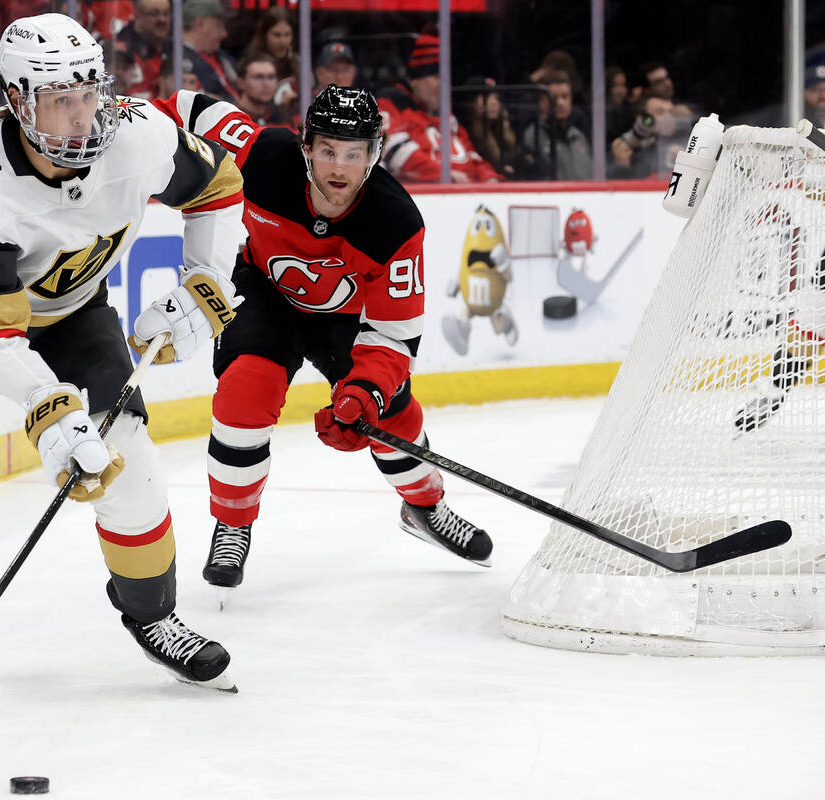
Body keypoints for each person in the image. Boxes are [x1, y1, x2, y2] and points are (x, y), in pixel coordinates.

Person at [0, 13, 245, 690]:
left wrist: (207, 279)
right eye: (59, 101)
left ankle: (153, 617)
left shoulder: (139, 133)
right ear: (17, 101)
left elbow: (218, 186)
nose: (82, 117)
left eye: (88, 94)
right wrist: (49, 408)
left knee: (129, 464)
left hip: (71, 314)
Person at [153, 85, 495, 594]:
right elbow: (187, 108)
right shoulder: (264, 156)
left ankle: (426, 508)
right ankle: (232, 523)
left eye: (354, 154)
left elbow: (394, 335)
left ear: (374, 155)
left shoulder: (396, 223)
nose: (340, 167)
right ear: (306, 146)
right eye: (328, 150)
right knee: (246, 389)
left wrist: (364, 393)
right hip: (264, 292)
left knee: (391, 414)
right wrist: (122, 134)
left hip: (345, 320)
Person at [379, 33, 501, 183]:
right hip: (419, 193)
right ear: (414, 80)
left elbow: (471, 155)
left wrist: (488, 176)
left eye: (446, 78)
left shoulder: (446, 117)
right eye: (436, 77)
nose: (443, 84)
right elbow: (396, 153)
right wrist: (444, 175)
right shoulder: (390, 106)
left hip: (460, 191)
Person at [519, 69, 591, 180]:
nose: (560, 103)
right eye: (554, 97)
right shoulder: (533, 137)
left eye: (565, 96)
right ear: (541, 102)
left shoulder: (578, 136)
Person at [180, 0, 235, 103]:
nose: (224, 34)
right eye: (218, 26)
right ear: (199, 24)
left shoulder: (222, 57)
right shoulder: (179, 59)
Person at [111, 0, 168, 99]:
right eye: (154, 13)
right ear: (138, 15)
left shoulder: (173, 48)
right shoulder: (122, 46)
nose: (162, 19)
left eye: (166, 14)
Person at [234, 53, 289, 127]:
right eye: (258, 77)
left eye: (271, 77)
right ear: (241, 83)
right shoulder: (230, 117)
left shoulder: (284, 117)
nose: (266, 84)